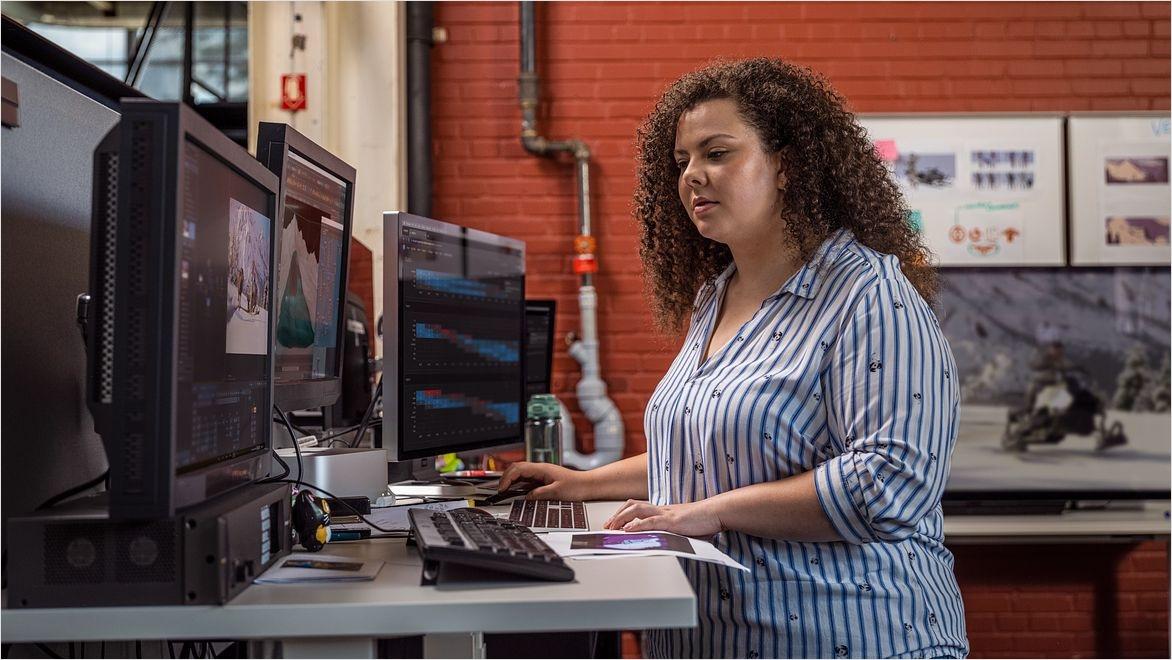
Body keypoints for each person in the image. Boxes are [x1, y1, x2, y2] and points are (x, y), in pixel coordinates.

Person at [499, 58, 968, 659]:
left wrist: (705, 515)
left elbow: (889, 486)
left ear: (786, 165)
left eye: (717, 153)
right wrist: (584, 484)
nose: (693, 175)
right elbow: (709, 450)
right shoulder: (715, 297)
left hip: (840, 639)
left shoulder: (871, 296)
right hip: (707, 639)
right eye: (682, 161)